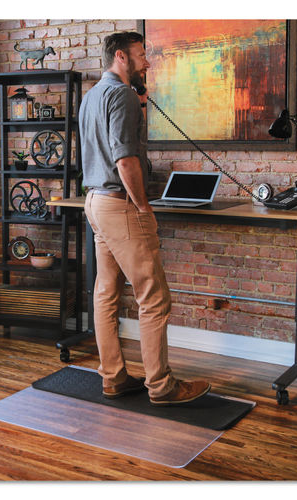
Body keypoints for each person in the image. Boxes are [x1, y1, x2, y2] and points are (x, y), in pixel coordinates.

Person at [79, 31, 211, 405]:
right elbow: (124, 160)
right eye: (141, 56)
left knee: (105, 293)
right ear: (121, 57)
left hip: (95, 202)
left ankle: (114, 378)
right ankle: (162, 386)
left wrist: (137, 108)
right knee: (153, 297)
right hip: (121, 204)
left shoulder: (92, 97)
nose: (147, 62)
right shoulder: (120, 95)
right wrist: (143, 206)